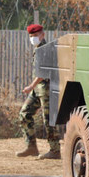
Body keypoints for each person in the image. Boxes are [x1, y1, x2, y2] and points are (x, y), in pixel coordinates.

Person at [15, 24, 59, 160]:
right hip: (38, 89)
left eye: (35, 36)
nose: (33, 38)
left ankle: (55, 150)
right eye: (31, 36)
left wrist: (30, 86)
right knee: (24, 113)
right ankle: (31, 147)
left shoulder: (45, 49)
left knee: (48, 121)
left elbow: (43, 72)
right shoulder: (38, 49)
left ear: (42, 35)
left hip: (46, 88)